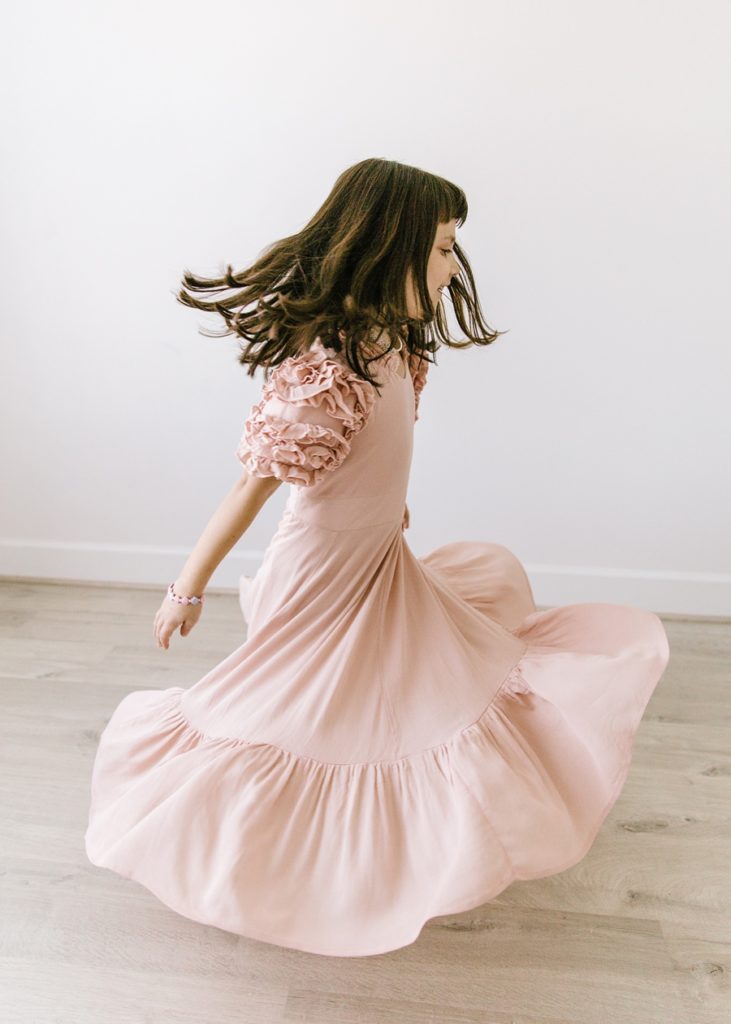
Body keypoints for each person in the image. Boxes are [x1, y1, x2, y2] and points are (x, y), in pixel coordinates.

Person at [84, 158, 670, 958]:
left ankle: (382, 858)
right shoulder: (326, 371)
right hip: (322, 579)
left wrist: (388, 513)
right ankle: (261, 863)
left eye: (453, 246)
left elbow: (377, 462)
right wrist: (184, 590)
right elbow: (247, 492)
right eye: (438, 246)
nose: (451, 266)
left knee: (416, 694)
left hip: (377, 567)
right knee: (293, 720)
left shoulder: (393, 348)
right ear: (389, 244)